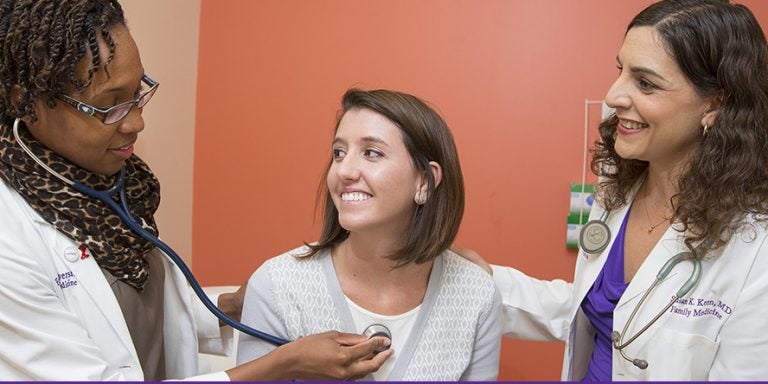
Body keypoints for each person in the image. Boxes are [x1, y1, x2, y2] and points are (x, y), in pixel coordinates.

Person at [0, 0, 391, 380]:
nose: (137, 122)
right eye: (110, 106)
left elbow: (145, 314)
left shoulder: (119, 188)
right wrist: (283, 365)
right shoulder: (9, 234)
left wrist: (233, 305)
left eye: (138, 93)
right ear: (27, 102)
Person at [461, 0, 768, 380]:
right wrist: (483, 280)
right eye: (621, 71)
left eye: (645, 83)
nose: (613, 96)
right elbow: (599, 310)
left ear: (714, 105)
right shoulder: (618, 187)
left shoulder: (756, 248)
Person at [236, 88, 502, 381]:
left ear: (424, 182)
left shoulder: (477, 295)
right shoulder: (278, 286)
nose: (345, 170)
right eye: (339, 153)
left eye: (371, 153)